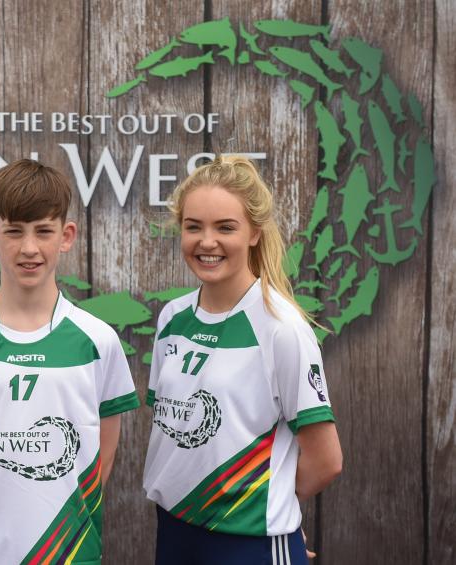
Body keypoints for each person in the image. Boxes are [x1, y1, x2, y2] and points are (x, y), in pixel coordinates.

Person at [0, 159, 140, 564]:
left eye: (43, 232)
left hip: (67, 551)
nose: (29, 248)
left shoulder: (98, 341)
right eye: (14, 232)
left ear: (66, 236)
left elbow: (103, 452)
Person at [143, 156, 342, 564]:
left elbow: (326, 461)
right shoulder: (172, 319)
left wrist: (274, 509)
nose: (207, 241)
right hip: (174, 533)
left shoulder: (281, 329)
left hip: (247, 544)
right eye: (193, 226)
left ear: (254, 233)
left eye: (225, 227)